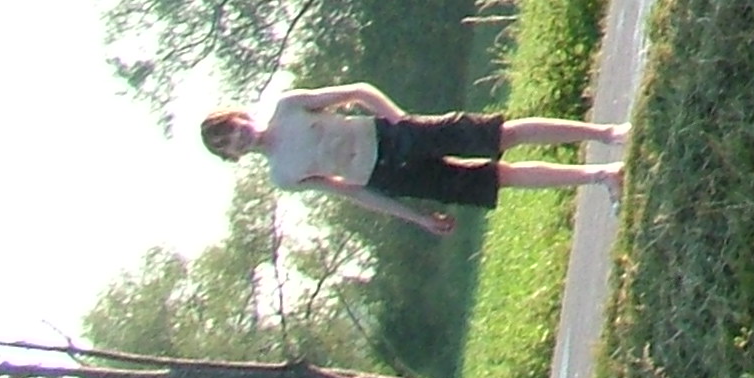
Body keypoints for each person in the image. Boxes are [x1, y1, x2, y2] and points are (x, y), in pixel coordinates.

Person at [200, 84, 627, 240]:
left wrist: (399, 120)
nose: (238, 137)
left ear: (241, 116)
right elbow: (353, 193)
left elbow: (358, 92)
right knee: (500, 178)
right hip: (387, 176)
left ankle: (608, 134)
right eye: (229, 143)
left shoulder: (288, 107)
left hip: (391, 134)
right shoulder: (283, 176)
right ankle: (603, 176)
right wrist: (417, 218)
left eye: (233, 128)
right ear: (232, 156)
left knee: (501, 135)